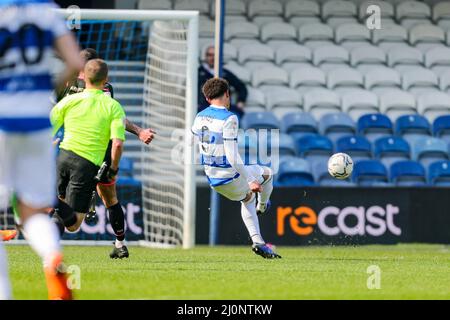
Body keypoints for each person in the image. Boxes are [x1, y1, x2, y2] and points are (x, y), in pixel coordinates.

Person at [0, 0, 84, 300]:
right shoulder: (45, 11)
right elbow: (75, 63)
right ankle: (52, 258)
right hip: (37, 120)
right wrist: (40, 89)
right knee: (34, 212)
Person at [53, 48, 155, 259]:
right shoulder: (68, 85)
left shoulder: (97, 89)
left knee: (104, 197)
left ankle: (119, 243)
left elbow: (113, 119)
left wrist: (138, 131)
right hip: (91, 153)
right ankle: (118, 241)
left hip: (86, 151)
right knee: (104, 198)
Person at [191, 78, 281, 259]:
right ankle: (263, 205)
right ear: (227, 94)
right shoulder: (229, 118)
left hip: (213, 178)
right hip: (229, 175)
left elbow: (194, 141)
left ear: (207, 99)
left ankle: (259, 243)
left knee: (247, 198)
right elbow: (232, 156)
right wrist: (251, 180)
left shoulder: (199, 116)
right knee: (268, 173)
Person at [50, 59, 127, 258]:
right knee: (74, 224)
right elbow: (117, 144)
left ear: (83, 76)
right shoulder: (113, 106)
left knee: (60, 212)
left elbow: (47, 129)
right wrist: (114, 168)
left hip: (63, 157)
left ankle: (49, 253)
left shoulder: (69, 100)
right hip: (85, 164)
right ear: (106, 79)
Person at [198, 46, 248, 119]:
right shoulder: (198, 73)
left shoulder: (225, 73)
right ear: (206, 56)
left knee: (236, 116)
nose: (212, 58)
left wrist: (241, 101)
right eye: (210, 55)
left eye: (215, 55)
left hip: (225, 108)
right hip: (204, 107)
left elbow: (241, 87)